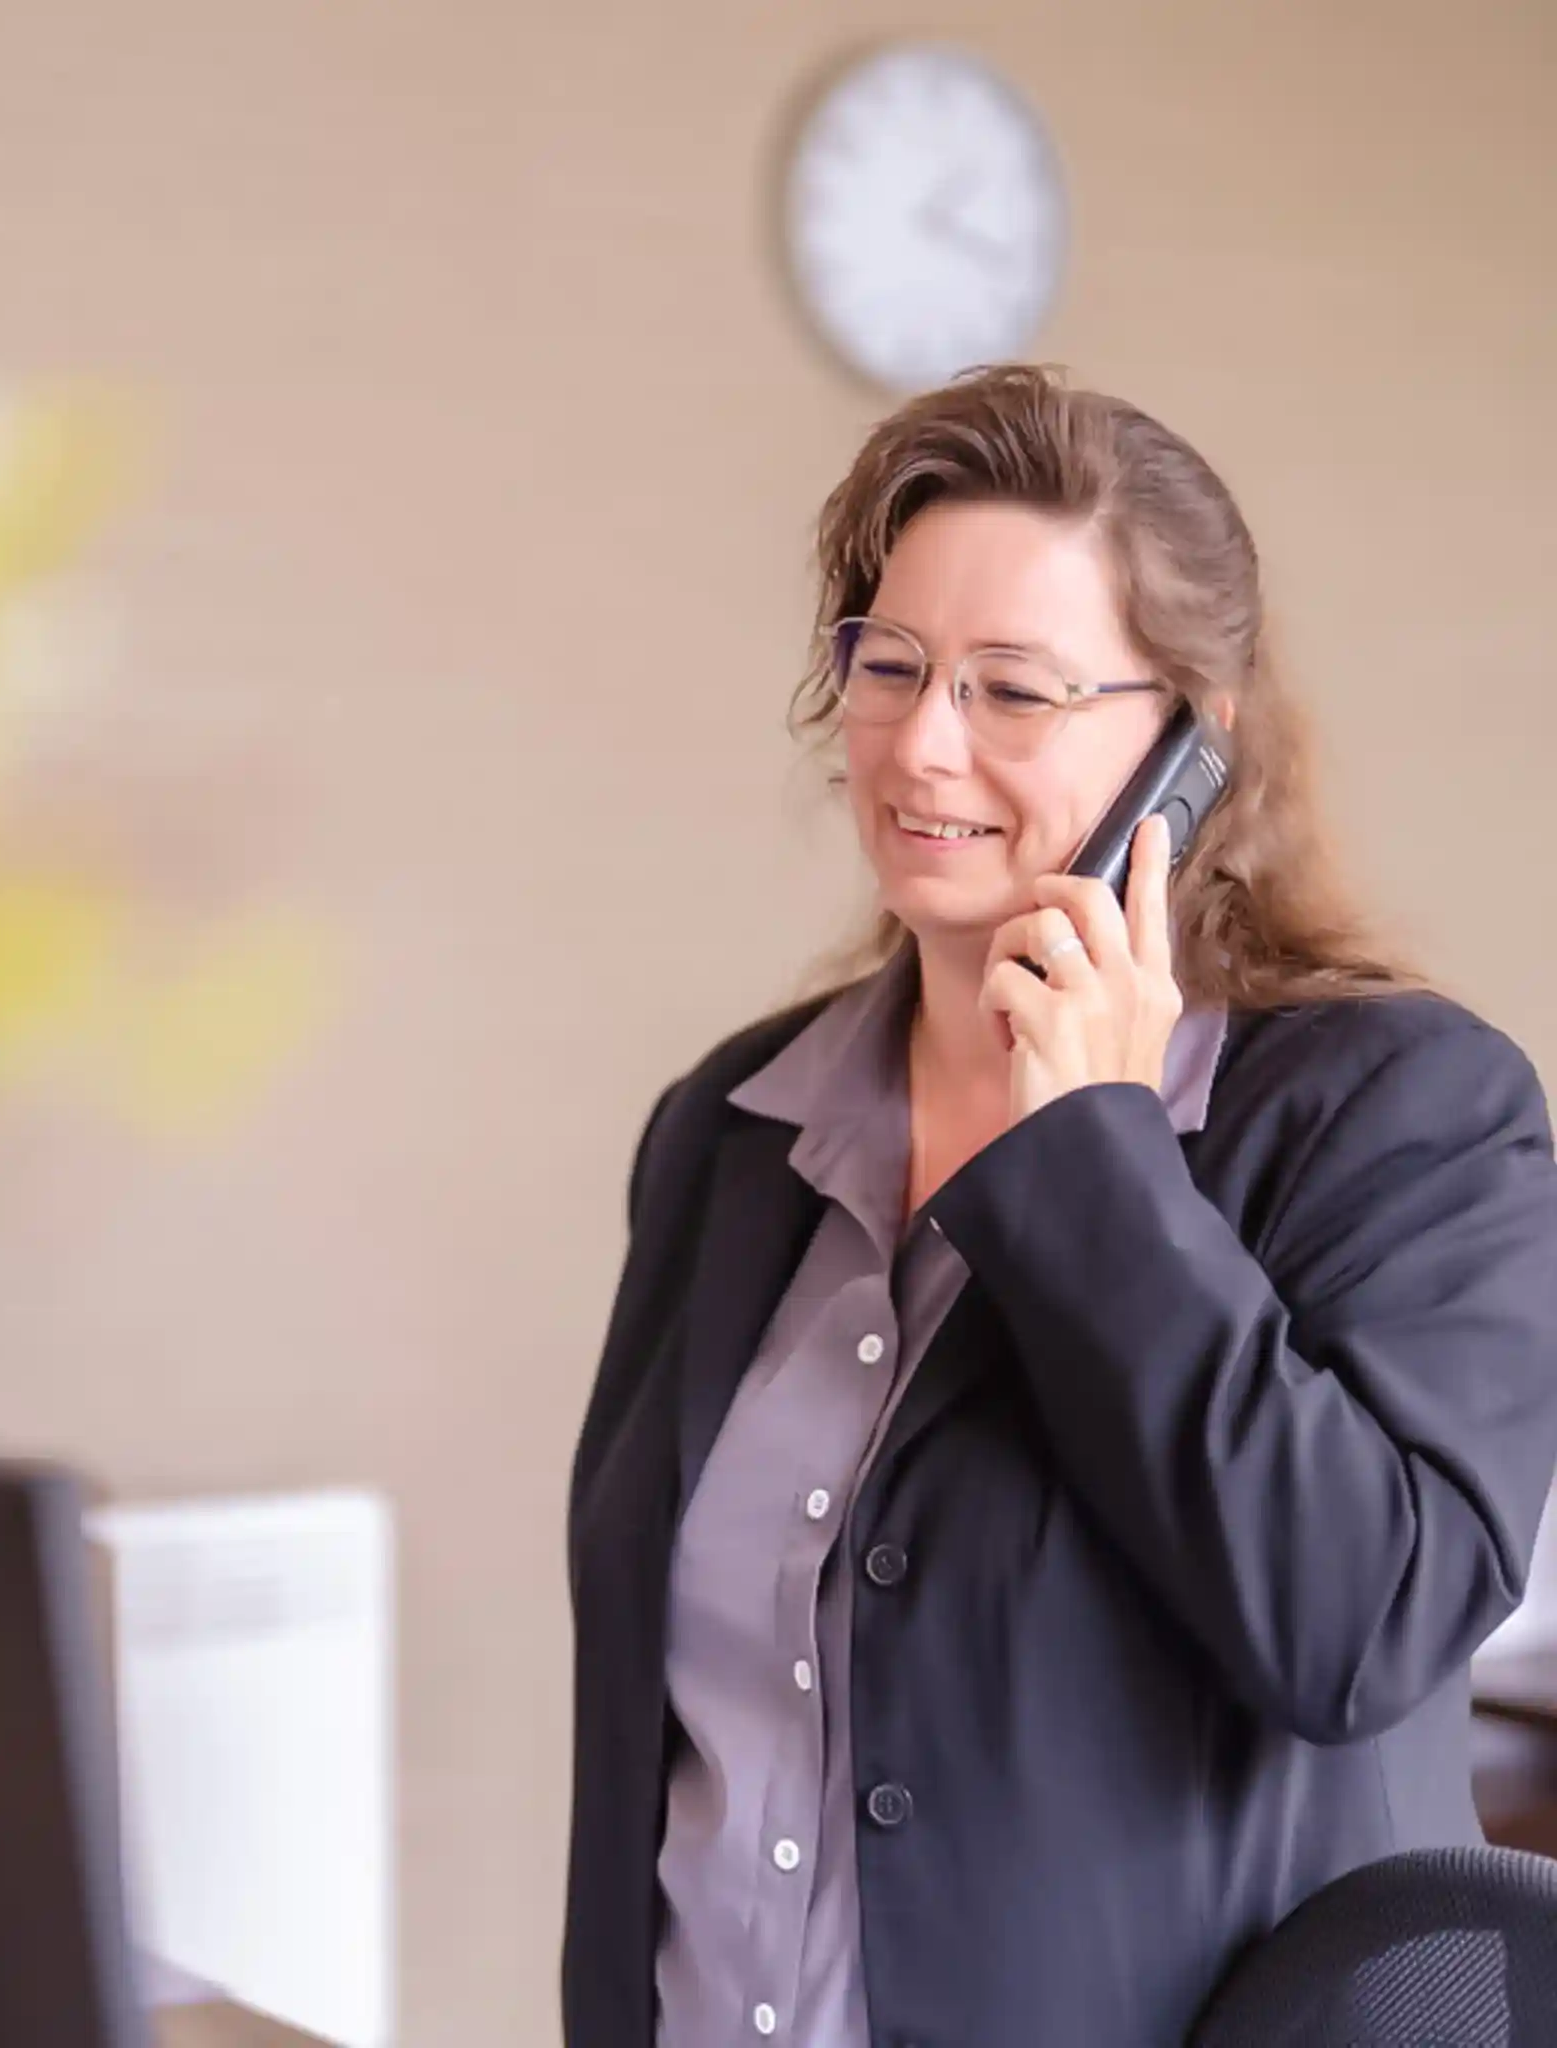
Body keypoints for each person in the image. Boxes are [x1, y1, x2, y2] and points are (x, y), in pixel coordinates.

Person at [563, 365, 1557, 2048]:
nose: (921, 741)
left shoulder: (1408, 1114)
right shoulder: (733, 1132)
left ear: (1190, 742)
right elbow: (661, 1756)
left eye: (1013, 689)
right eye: (890, 663)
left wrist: (1096, 1145)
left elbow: (1357, 1624)